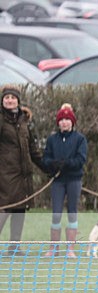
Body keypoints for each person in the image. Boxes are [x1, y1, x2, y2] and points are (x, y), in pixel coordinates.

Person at [0, 85, 46, 257]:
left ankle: (14, 247)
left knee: (20, 209)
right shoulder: (1, 120)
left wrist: (47, 167)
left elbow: (32, 149)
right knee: (5, 209)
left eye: (12, 98)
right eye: (6, 98)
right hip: (5, 174)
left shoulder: (24, 120)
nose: (9, 100)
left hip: (23, 174)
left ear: (18, 101)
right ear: (2, 100)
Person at [42, 103, 88, 258]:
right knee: (56, 213)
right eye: (62, 119)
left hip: (74, 179)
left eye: (68, 119)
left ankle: (70, 249)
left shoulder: (80, 139)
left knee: (72, 212)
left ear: (72, 122)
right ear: (58, 122)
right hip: (58, 181)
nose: (64, 122)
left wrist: (67, 163)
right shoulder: (52, 140)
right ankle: (53, 248)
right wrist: (52, 164)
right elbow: (46, 158)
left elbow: (81, 159)